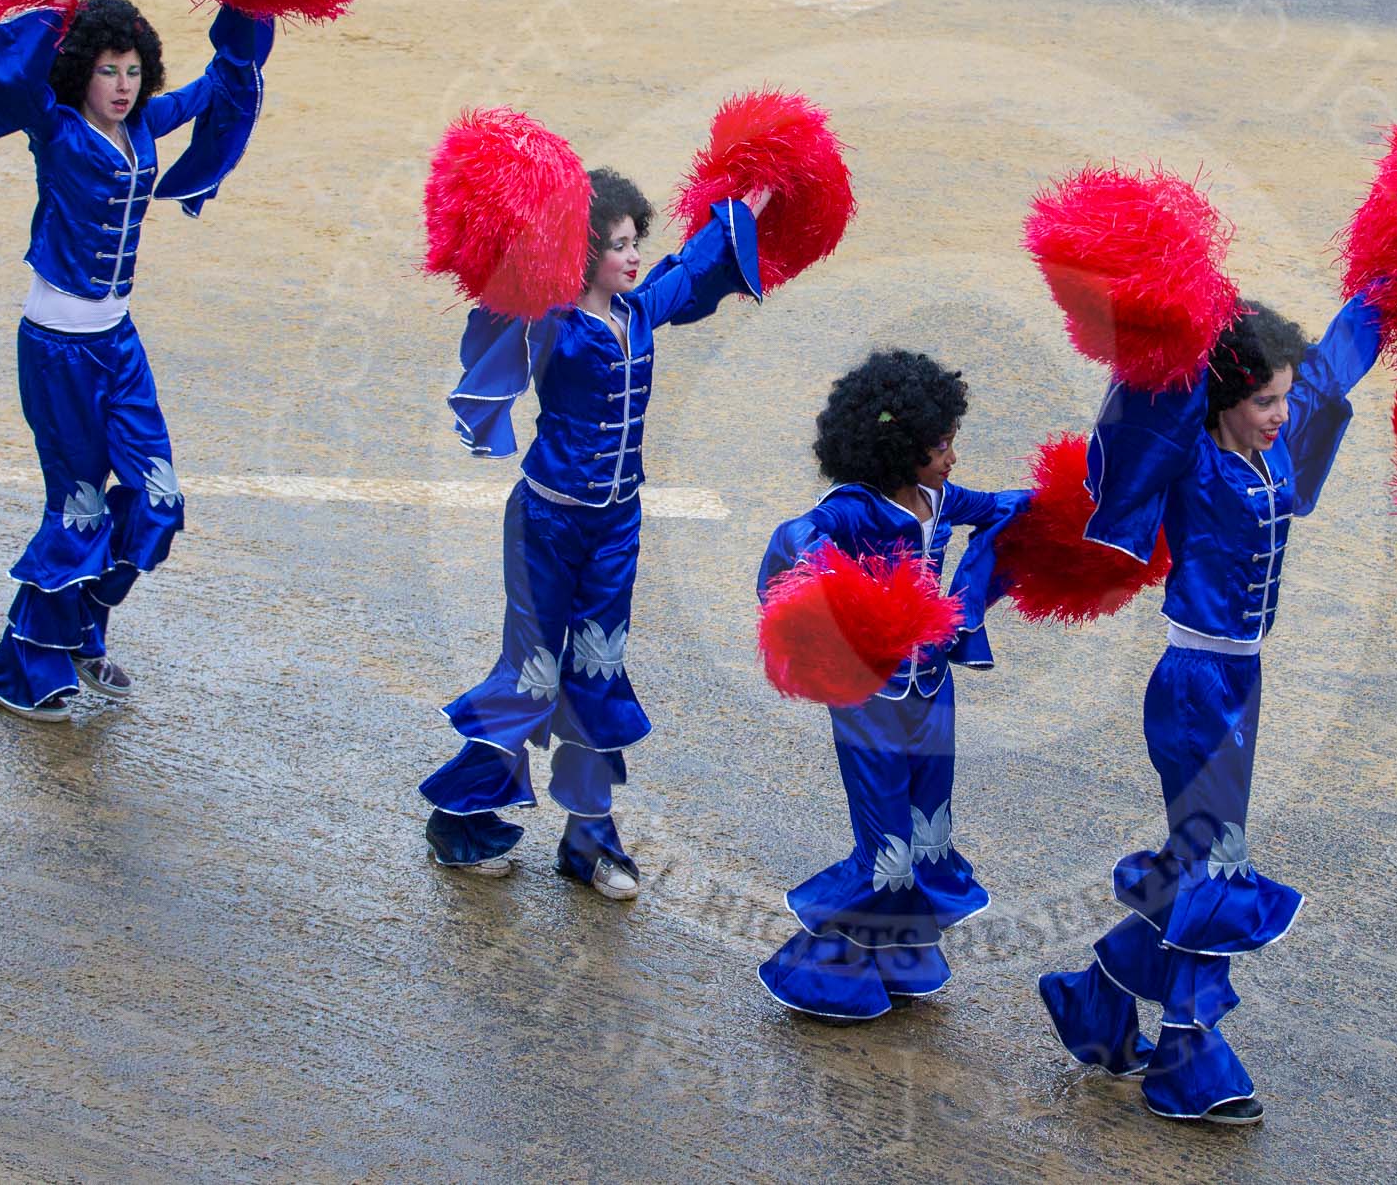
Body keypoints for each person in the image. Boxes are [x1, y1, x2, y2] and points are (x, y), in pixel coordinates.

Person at [1038, 293, 1383, 1123]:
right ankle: (1188, 1056)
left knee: (1202, 857)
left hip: (1241, 682)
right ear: (1222, 396)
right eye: (1264, 399)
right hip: (1194, 683)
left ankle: (1101, 995)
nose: (1279, 413)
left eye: (1283, 399)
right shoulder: (1190, 457)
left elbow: (1336, 367)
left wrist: (1383, 287)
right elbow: (1153, 410)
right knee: (1213, 863)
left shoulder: (1276, 451)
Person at [0, 0, 274, 721]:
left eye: (134, 69)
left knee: (158, 501)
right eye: (108, 69)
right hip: (55, 350)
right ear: (82, 74)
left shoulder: (143, 126)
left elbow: (212, 87)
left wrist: (249, 8)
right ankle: (17, 669)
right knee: (77, 512)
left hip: (117, 344)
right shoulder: (56, 125)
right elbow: (17, 78)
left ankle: (77, 625)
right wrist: (56, 2)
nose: (124, 84)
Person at [419, 170, 768, 897]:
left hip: (616, 522)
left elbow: (696, 266)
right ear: (582, 255)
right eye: (617, 246)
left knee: (599, 668)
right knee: (534, 673)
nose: (633, 257)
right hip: (546, 521)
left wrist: (745, 209)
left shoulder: (638, 312)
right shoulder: (548, 318)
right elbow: (502, 288)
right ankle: (460, 820)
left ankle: (588, 839)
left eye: (635, 241)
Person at [754, 350, 1025, 1021]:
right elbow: (797, 541)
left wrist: (1071, 503)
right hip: (869, 701)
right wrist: (833, 593)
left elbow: (998, 507)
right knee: (887, 847)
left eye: (951, 442)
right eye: (939, 447)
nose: (951, 458)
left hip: (932, 694)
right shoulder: (853, 509)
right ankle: (819, 974)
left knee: (929, 834)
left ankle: (888, 955)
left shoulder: (937, 497)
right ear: (897, 448)